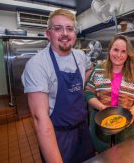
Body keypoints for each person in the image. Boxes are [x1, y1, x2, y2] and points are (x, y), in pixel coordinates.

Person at [21, 9, 94, 163]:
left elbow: (90, 68)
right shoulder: (37, 65)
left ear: (75, 33)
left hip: (82, 130)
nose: (65, 33)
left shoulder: (80, 56)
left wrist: (81, 87)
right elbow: (40, 119)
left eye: (69, 28)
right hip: (58, 136)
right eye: (58, 28)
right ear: (48, 34)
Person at [85, 35, 134, 152]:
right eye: (116, 50)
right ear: (109, 50)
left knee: (124, 155)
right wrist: (102, 107)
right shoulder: (98, 70)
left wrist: (130, 114)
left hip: (125, 130)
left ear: (128, 54)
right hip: (100, 127)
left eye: (123, 51)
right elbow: (88, 92)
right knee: (102, 156)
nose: (119, 55)